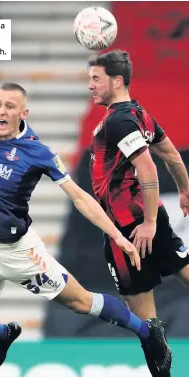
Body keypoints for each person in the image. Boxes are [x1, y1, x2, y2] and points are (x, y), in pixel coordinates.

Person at [0, 82, 171, 376]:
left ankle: (147, 332)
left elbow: (79, 197)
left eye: (9, 106)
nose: (1, 111)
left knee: (82, 303)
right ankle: (4, 334)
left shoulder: (37, 152)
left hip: (21, 252)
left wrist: (117, 235)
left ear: (23, 113)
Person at [88, 50, 189, 376]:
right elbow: (171, 155)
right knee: (178, 278)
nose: (90, 85)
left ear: (116, 81)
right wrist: (185, 190)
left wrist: (145, 223)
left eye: (95, 79)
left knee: (147, 325)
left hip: (128, 228)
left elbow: (147, 168)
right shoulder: (141, 115)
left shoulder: (118, 120)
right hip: (147, 220)